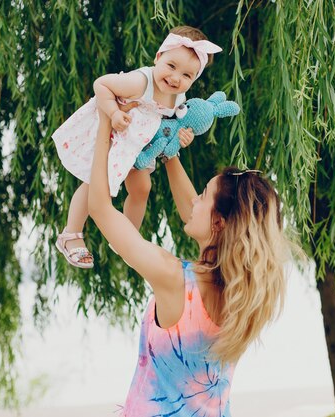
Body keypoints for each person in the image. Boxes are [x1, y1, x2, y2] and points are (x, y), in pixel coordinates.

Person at [87, 105, 299, 416]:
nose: (195, 200)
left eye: (203, 194)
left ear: (219, 223)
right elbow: (193, 212)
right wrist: (169, 152)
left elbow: (100, 207)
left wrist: (105, 123)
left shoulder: (172, 278)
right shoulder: (248, 297)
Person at [52, 26, 222, 268]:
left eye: (187, 76)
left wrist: (184, 137)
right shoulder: (140, 82)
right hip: (115, 133)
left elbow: (171, 123)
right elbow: (101, 84)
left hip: (140, 146)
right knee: (96, 183)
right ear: (158, 58)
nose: (176, 78)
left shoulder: (180, 98)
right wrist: (112, 113)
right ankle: (71, 234)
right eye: (171, 66)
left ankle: (125, 238)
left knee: (143, 187)